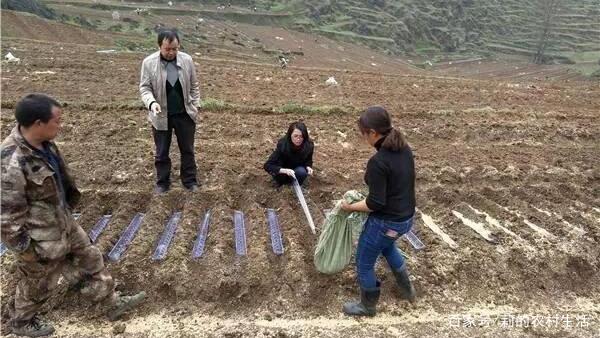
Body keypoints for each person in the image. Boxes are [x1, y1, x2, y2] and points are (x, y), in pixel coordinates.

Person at [1, 94, 146, 337]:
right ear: (38, 123)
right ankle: (21, 322)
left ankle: (111, 304)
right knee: (39, 282)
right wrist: (26, 250)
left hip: (63, 222)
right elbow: (5, 217)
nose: (61, 125)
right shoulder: (11, 161)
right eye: (57, 121)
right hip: (40, 237)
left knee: (90, 259)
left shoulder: (45, 144)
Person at [340, 106, 417, 317]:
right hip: (405, 219)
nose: (363, 138)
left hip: (384, 223)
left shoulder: (378, 162)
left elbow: (374, 203)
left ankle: (368, 306)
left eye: (364, 134)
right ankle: (407, 290)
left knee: (364, 261)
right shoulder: (404, 149)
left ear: (373, 132)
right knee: (388, 246)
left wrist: (349, 207)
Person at [140, 29, 201, 194]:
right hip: (161, 115)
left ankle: (189, 181)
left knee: (187, 150)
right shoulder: (149, 63)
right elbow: (145, 88)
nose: (171, 52)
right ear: (160, 46)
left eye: (175, 49)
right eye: (167, 49)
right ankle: (162, 183)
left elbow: (194, 85)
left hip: (184, 114)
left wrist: (195, 105)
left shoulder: (187, 60)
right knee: (161, 152)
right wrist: (152, 103)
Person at [264, 122, 314, 186]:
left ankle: (295, 184)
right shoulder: (283, 145)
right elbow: (268, 165)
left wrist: (308, 167)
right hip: (283, 172)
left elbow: (308, 160)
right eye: (295, 136)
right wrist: (285, 170)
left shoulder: (309, 145)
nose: (298, 139)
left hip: (297, 170)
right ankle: (282, 183)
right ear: (290, 135)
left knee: (302, 172)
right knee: (281, 178)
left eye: (301, 136)